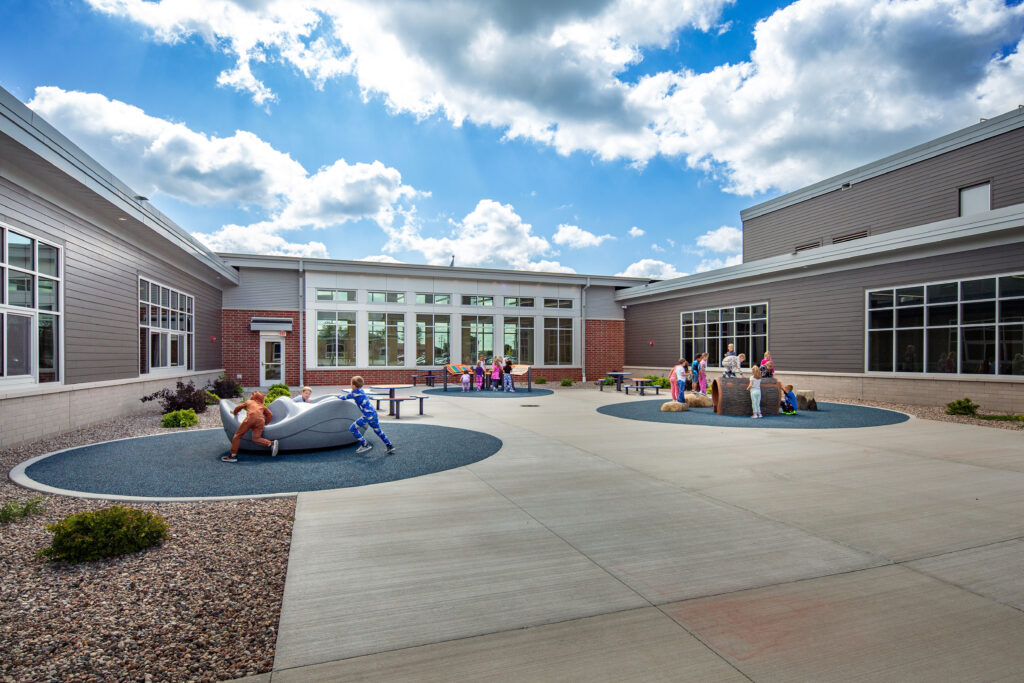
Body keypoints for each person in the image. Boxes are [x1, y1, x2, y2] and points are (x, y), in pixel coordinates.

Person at [337, 376, 394, 454]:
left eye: (351, 384)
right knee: (378, 430)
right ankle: (389, 445)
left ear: (353, 385)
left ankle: (365, 445)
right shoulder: (361, 390)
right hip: (373, 413)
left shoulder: (354, 393)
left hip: (367, 416)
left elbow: (344, 397)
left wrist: (337, 396)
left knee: (352, 428)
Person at [223, 391, 278, 462]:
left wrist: (234, 412)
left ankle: (233, 456)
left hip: (250, 419)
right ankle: (270, 443)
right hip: (260, 421)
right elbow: (270, 415)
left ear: (253, 397)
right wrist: (265, 423)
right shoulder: (262, 406)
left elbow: (239, 407)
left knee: (238, 435)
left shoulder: (249, 402)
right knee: (256, 438)